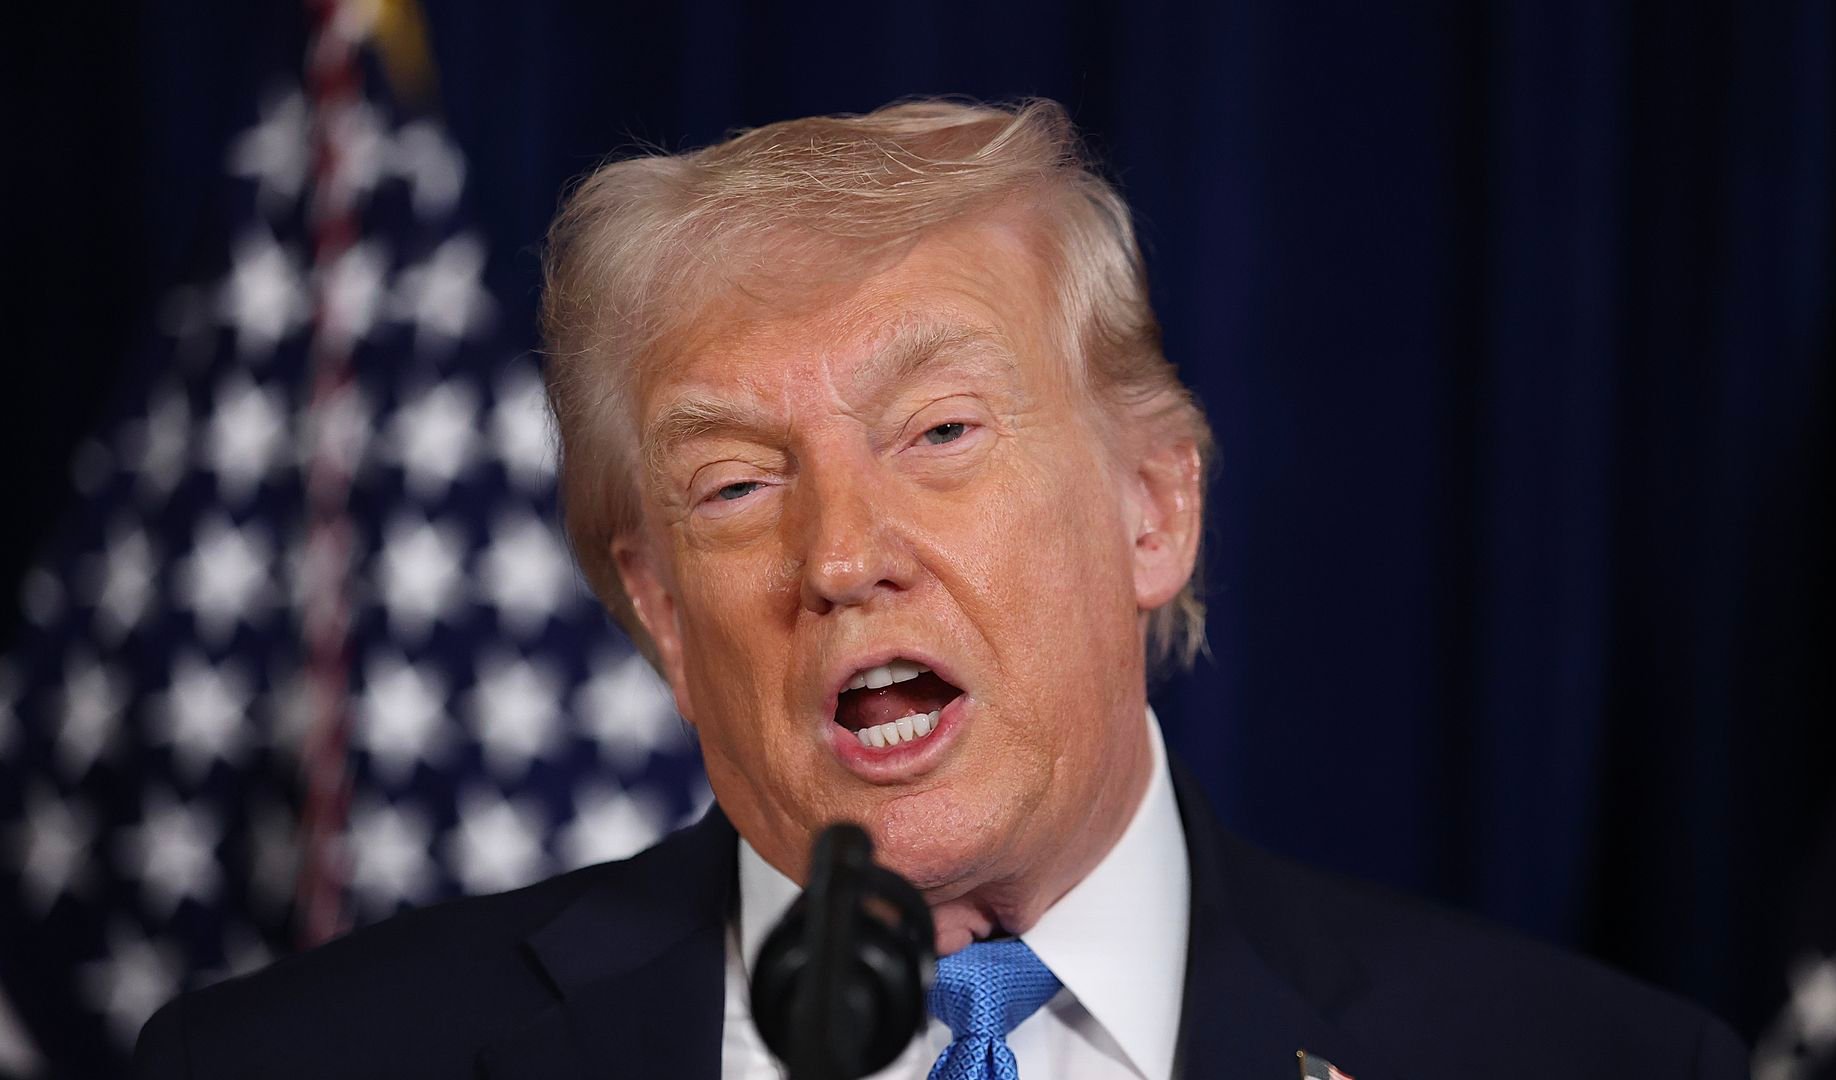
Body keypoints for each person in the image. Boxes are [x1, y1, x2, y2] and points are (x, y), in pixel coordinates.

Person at [135, 99, 1749, 1080]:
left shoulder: (1589, 1070)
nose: (842, 558)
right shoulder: (290, 1074)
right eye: (736, 486)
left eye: (942, 431)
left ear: (1153, 509)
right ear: (659, 614)